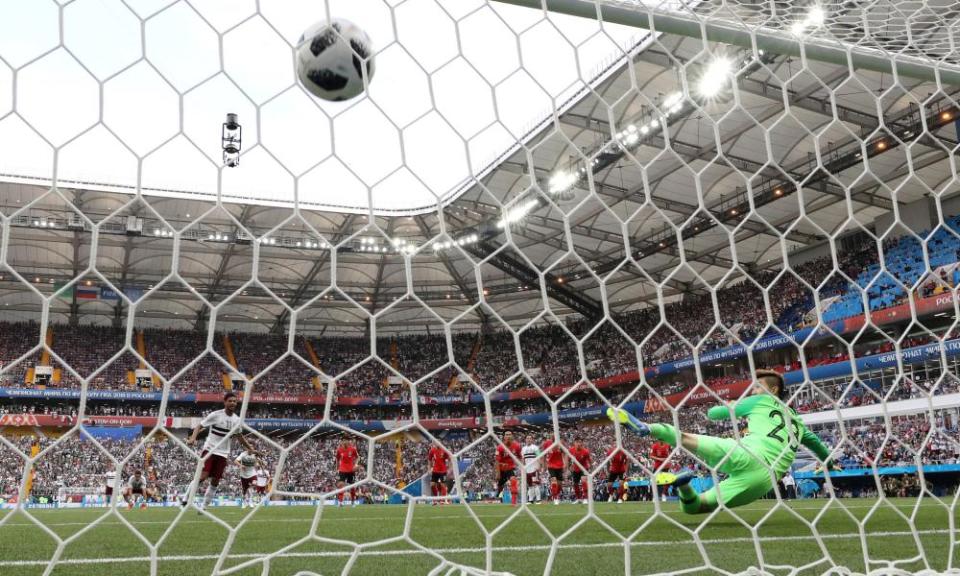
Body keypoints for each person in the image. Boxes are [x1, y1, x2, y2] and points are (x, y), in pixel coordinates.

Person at [608, 369, 836, 515]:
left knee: (686, 439)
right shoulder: (799, 424)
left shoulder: (759, 400)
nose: (753, 389)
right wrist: (831, 464)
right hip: (764, 478)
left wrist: (729, 404)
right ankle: (684, 484)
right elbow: (817, 446)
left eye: (757, 386)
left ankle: (648, 428)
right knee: (697, 508)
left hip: (744, 451)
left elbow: (713, 414)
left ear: (773, 389)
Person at [184, 392, 258, 513]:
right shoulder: (216, 415)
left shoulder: (236, 420)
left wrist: (251, 448)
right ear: (225, 402)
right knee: (203, 476)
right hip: (210, 450)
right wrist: (193, 438)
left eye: (234, 401)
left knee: (215, 481)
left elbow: (240, 437)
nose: (232, 403)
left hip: (223, 454)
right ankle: (186, 499)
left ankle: (203, 507)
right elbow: (199, 425)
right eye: (230, 401)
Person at [495, 431, 522, 504]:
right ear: (504, 437)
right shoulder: (500, 447)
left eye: (510, 434)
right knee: (500, 485)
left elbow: (520, 457)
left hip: (510, 468)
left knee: (513, 481)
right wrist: (498, 473)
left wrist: (523, 466)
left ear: (512, 436)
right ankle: (498, 491)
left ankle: (513, 502)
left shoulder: (517, 446)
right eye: (507, 435)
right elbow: (497, 461)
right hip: (502, 468)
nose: (508, 436)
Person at [540, 436, 566, 505]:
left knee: (559, 484)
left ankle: (555, 494)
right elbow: (543, 454)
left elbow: (565, 454)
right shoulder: (547, 443)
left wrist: (565, 464)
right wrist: (544, 465)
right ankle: (556, 498)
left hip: (560, 466)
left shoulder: (561, 443)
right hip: (551, 465)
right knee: (554, 480)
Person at [335, 437, 360, 507]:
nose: (345, 442)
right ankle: (340, 502)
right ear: (342, 442)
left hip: (351, 470)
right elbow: (337, 459)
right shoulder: (339, 450)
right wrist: (337, 468)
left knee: (352, 487)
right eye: (343, 440)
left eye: (346, 440)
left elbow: (358, 457)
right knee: (341, 485)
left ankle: (353, 502)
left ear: (349, 441)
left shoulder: (353, 449)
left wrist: (356, 464)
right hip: (342, 470)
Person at [569, 437, 591, 504]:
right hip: (575, 469)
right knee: (575, 484)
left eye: (580, 442)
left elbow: (589, 461)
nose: (578, 444)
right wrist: (569, 467)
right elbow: (568, 459)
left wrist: (590, 468)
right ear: (574, 443)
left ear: (582, 443)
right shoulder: (571, 450)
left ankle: (585, 498)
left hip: (584, 468)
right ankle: (578, 499)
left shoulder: (585, 451)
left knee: (584, 481)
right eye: (577, 442)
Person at [427, 440, 450, 505]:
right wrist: (429, 469)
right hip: (435, 471)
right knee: (432, 485)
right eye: (436, 442)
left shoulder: (444, 450)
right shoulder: (432, 450)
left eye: (438, 442)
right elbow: (429, 460)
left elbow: (448, 459)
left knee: (443, 485)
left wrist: (448, 468)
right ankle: (436, 499)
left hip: (443, 471)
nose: (437, 443)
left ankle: (442, 500)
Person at [521, 434, 542, 504]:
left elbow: (539, 456)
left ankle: (538, 500)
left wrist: (539, 466)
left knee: (535, 484)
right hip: (527, 469)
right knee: (530, 485)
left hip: (534, 468)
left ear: (532, 440)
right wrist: (523, 468)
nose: (529, 439)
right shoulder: (523, 449)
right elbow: (523, 459)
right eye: (527, 438)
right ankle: (531, 500)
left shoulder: (535, 448)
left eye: (530, 438)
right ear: (525, 440)